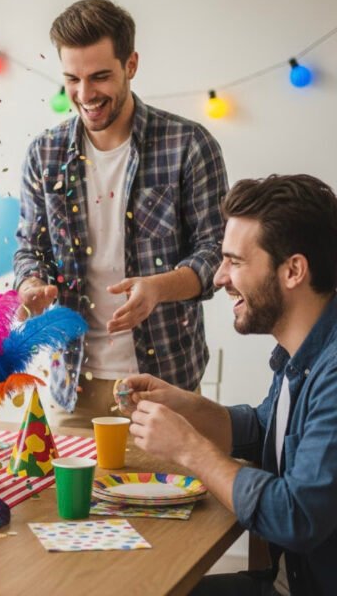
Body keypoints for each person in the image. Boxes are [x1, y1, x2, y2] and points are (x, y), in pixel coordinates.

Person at [13, 0, 228, 426]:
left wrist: (159, 288)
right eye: (72, 79)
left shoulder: (188, 145)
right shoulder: (44, 153)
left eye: (100, 77)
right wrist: (31, 284)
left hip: (167, 382)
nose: (85, 94)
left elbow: (216, 252)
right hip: (73, 386)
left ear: (131, 64)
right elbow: (30, 249)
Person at [120, 174, 337, 595]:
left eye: (234, 262)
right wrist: (188, 408)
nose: (219, 278)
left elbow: (296, 517)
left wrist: (189, 448)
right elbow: (265, 429)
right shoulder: (301, 353)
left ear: (293, 270)